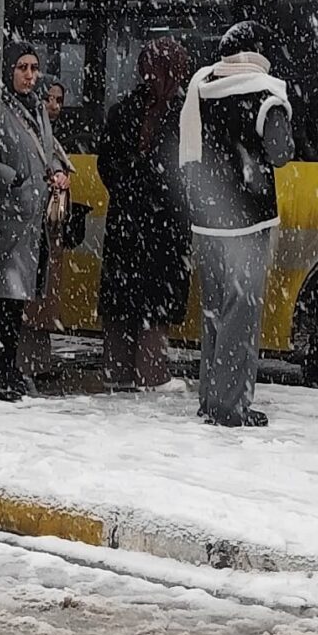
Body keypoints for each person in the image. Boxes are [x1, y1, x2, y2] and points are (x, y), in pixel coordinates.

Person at [178, 22, 295, 428]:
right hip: (248, 221)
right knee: (241, 315)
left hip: (208, 219)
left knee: (214, 311)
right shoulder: (265, 94)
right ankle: (230, 406)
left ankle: (211, 398)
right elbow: (280, 153)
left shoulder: (201, 87)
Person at [98, 37, 193, 388]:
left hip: (126, 226)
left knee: (121, 309)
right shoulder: (186, 115)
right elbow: (188, 174)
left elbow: (107, 166)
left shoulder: (123, 110)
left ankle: (118, 376)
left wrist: (129, 192)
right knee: (154, 311)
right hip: (164, 230)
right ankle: (150, 379)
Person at [0, 42, 70, 396]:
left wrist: (55, 171)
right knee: (5, 296)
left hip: (31, 215)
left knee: (18, 295)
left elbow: (46, 149)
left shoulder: (37, 108)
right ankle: (1, 365)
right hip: (7, 215)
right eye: (22, 67)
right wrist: (13, 179)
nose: (29, 75)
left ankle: (9, 363)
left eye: (34, 68)